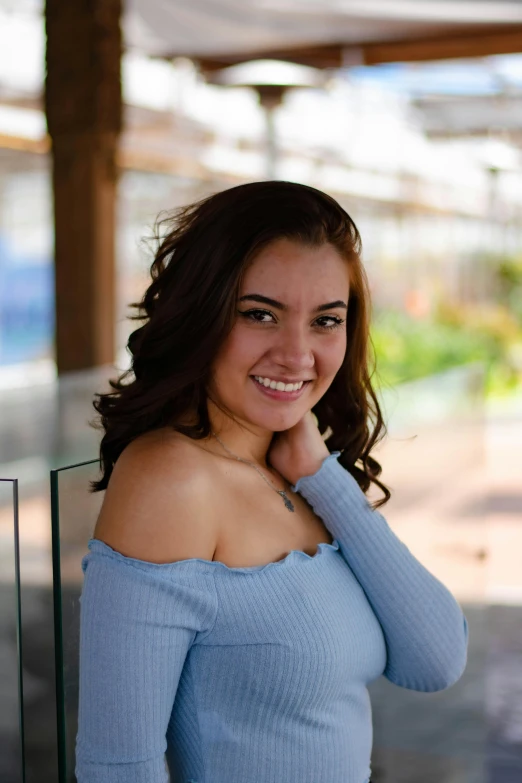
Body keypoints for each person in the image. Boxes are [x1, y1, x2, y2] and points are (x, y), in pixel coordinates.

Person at [75, 180, 469, 783]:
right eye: (260, 314)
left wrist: (322, 474)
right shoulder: (169, 479)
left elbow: (435, 659)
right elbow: (118, 766)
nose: (297, 354)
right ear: (202, 312)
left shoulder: (293, 476)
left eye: (325, 320)